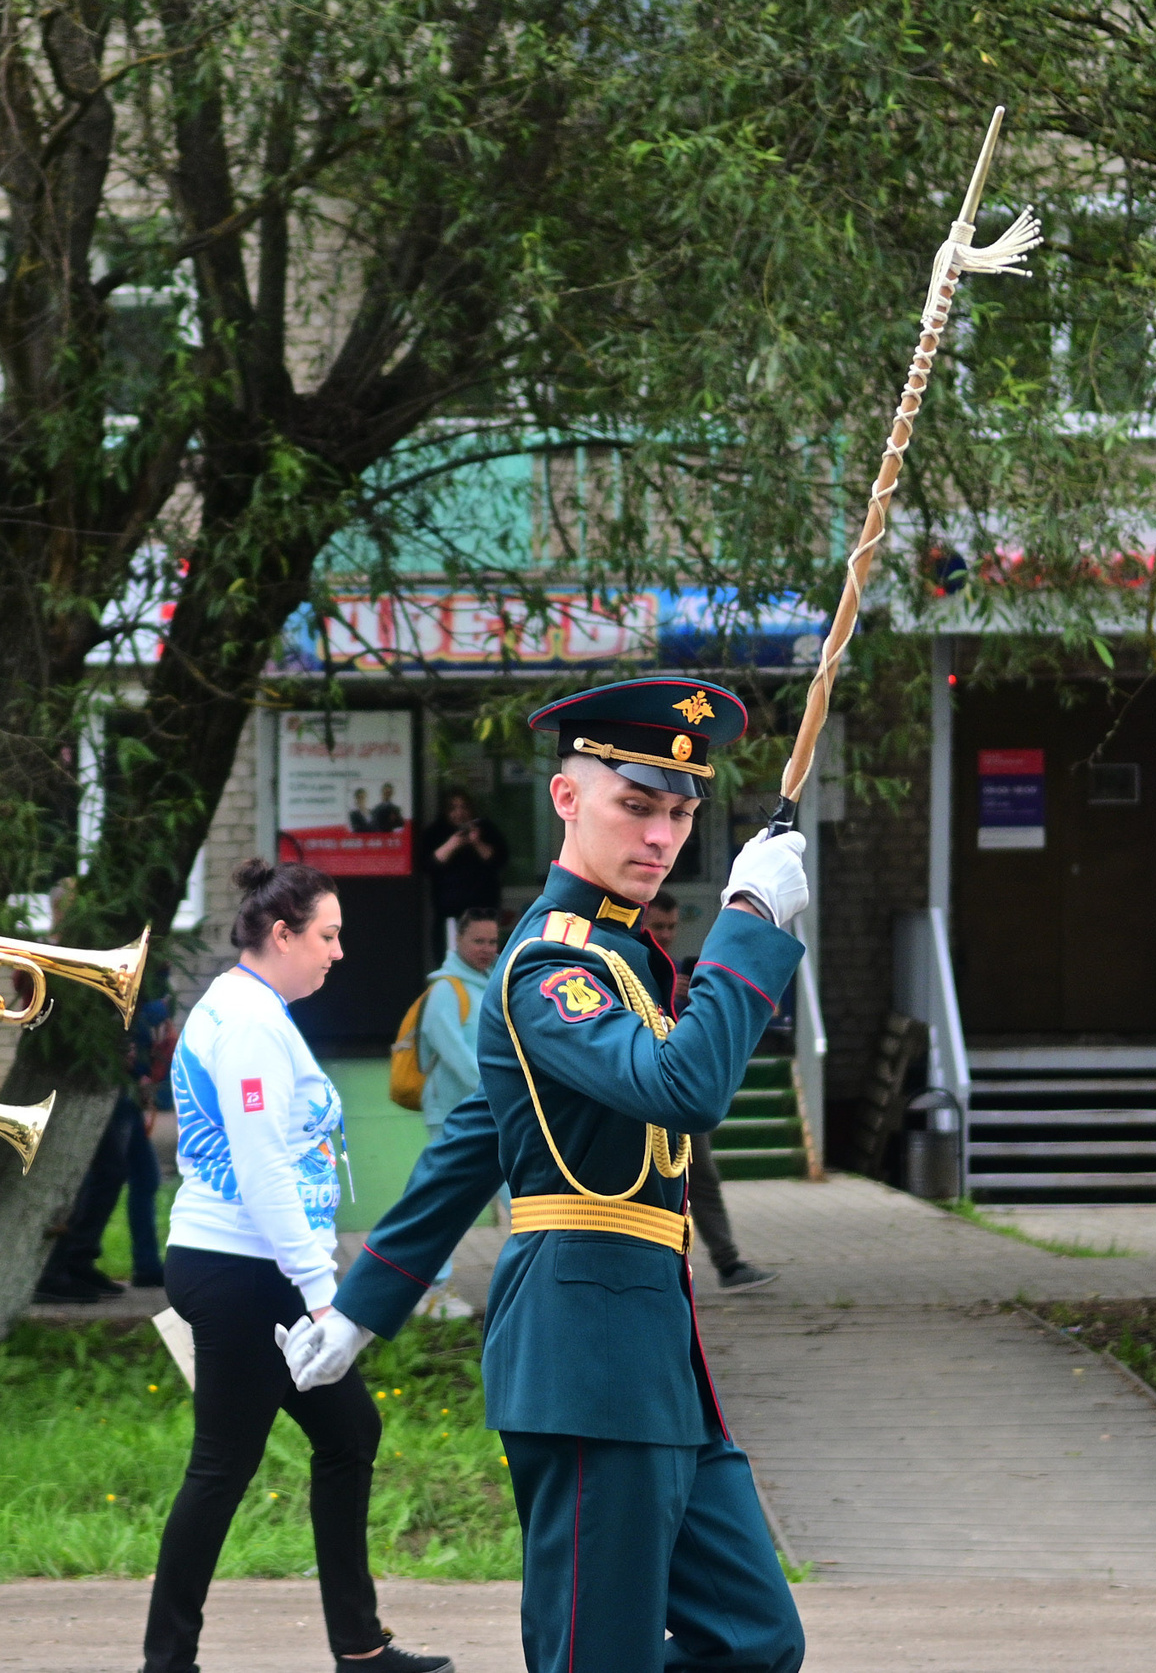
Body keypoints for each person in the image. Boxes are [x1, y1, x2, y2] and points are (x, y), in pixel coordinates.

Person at [286, 678, 811, 1673]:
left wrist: (362, 1304)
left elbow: (476, 1141)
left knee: (755, 1640)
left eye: (682, 813)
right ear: (568, 800)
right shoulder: (548, 967)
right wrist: (748, 920)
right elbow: (685, 1086)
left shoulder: (623, 958)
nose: (662, 836)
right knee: (594, 1657)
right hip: (585, 1356)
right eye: (637, 805)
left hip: (653, 1360)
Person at [142, 859, 448, 1673]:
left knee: (350, 1432)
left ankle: (360, 1646)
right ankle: (167, 1661)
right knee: (222, 1466)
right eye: (327, 934)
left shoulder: (254, 1008)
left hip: (248, 1264)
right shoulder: (247, 1020)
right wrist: (320, 1294)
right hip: (244, 1272)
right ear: (281, 934)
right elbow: (264, 1164)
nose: (338, 951)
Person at [641, 896, 776, 1295]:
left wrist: (690, 996)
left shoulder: (679, 969)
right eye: (658, 927)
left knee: (701, 1176)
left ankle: (728, 1263)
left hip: (678, 1087)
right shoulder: (626, 960)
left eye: (671, 927)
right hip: (640, 1088)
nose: (665, 935)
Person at [35, 992, 174, 1303]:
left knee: (133, 1174)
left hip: (122, 1081)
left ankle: (83, 1261)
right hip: (106, 1078)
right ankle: (59, 1267)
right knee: (103, 1173)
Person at [409, 907, 501, 1319]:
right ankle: (431, 1291)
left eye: (492, 942)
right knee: (446, 1201)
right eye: (478, 941)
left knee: (521, 1196)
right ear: (458, 942)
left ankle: (545, 1282)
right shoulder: (447, 988)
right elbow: (454, 1053)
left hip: (487, 1113)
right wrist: (499, 1091)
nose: (486, 949)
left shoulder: (487, 986)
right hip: (454, 1113)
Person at [419, 791, 508, 955]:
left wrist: (477, 842)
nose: (459, 813)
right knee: (450, 956)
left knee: (484, 957)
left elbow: (498, 860)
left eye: (463, 807)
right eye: (453, 808)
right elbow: (428, 865)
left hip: (483, 910)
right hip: (449, 913)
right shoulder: (435, 832)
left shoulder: (485, 829)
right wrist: (453, 844)